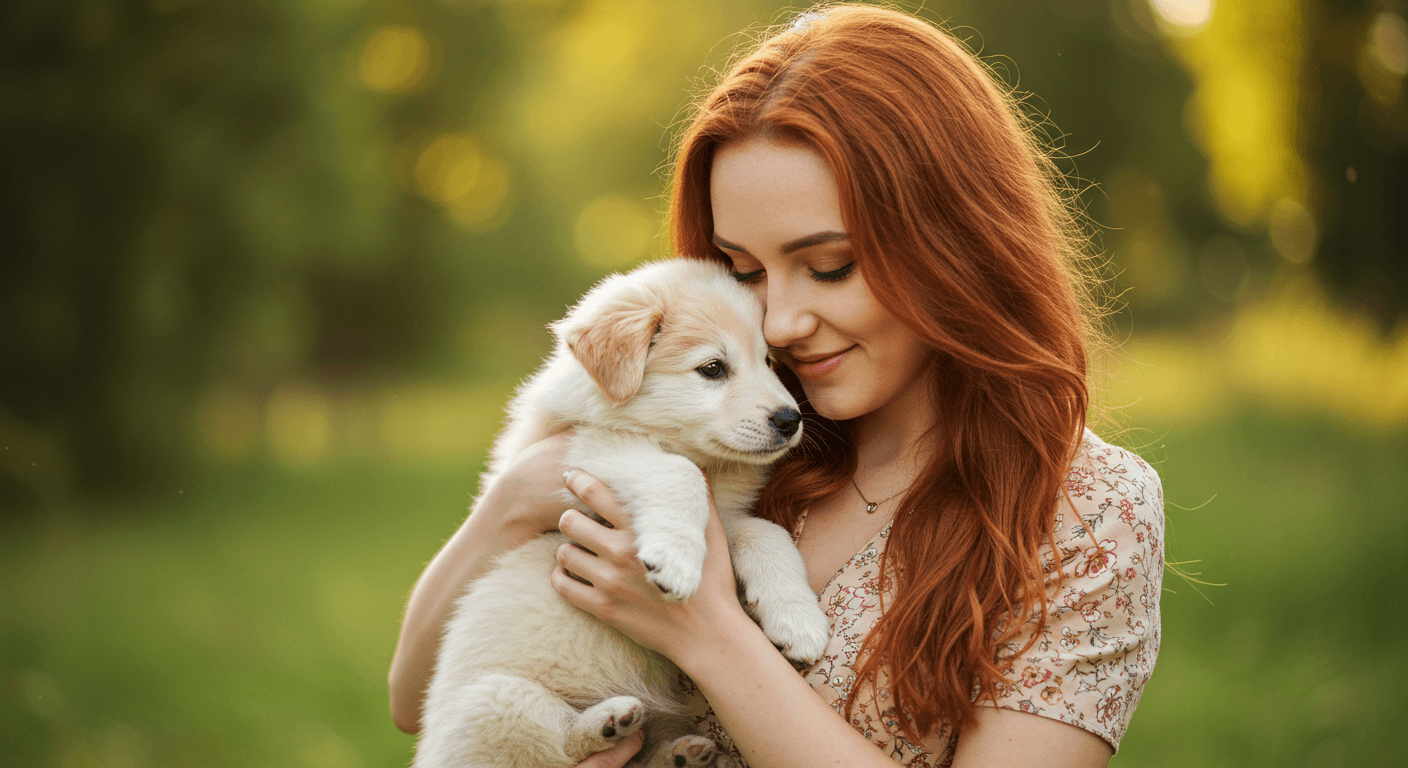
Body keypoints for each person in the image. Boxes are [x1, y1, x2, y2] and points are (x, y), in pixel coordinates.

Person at [388, 5, 1164, 767]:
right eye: (748, 273)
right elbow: (414, 694)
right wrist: (513, 500)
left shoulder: (1086, 513)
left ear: (953, 237)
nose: (783, 323)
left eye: (830, 267)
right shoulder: (731, 433)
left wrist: (705, 631)